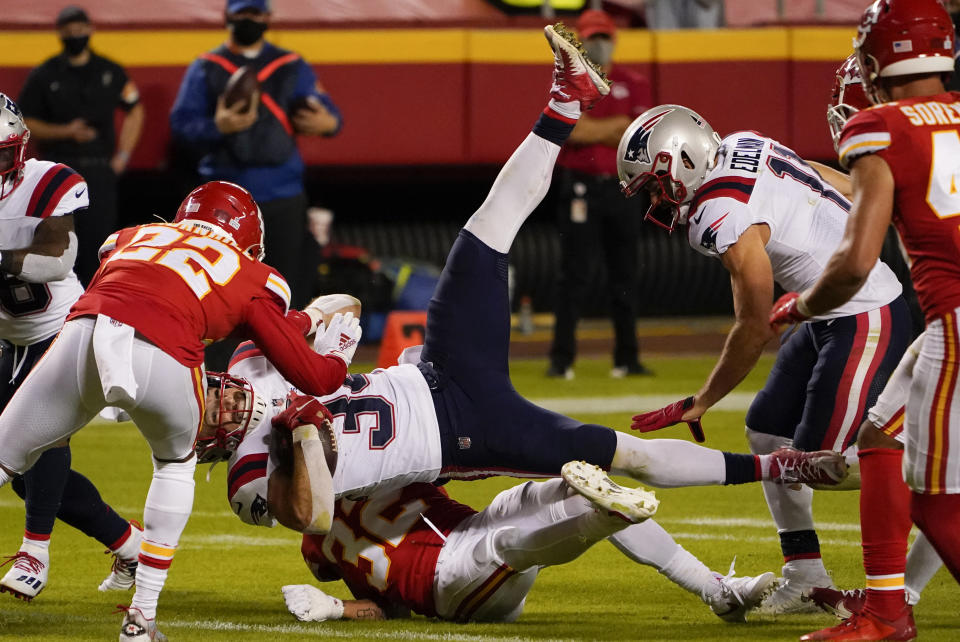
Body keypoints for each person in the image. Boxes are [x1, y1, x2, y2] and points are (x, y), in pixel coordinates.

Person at [202, 27, 848, 561]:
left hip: (443, 369)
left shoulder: (246, 366)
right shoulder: (248, 482)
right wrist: (297, 438)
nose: (220, 403)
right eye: (211, 414)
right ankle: (782, 473)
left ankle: (564, 101)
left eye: (210, 394)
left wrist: (307, 332)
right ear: (207, 445)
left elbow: (341, 315)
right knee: (628, 460)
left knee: (487, 227)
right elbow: (308, 516)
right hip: (466, 434)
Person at [0, 179, 359, 641]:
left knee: (5, 455)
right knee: (174, 466)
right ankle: (141, 618)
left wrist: (302, 321)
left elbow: (154, 293)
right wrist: (338, 352)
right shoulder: (253, 275)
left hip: (85, 333)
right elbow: (314, 377)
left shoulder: (129, 237)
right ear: (251, 239)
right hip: (164, 354)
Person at [617, 101, 911, 615]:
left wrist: (701, 400)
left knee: (825, 466)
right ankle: (804, 575)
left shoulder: (717, 212)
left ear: (683, 163)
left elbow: (753, 325)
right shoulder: (744, 142)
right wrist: (862, 193)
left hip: (864, 314)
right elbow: (810, 172)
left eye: (655, 186)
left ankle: (939, 473)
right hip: (823, 314)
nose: (657, 201)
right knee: (768, 433)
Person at [768, 0, 960, 638]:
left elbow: (855, 261)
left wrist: (801, 305)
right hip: (943, 325)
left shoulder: (881, 127)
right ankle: (886, 606)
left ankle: (887, 612)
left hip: (957, 320)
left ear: (881, 58)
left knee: (934, 491)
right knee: (882, 440)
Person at [280, 463, 777, 625]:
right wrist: (337, 609)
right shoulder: (319, 540)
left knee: (558, 489)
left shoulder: (323, 529)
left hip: (467, 530)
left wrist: (336, 606)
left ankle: (718, 592)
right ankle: (604, 518)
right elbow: (391, 608)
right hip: (448, 587)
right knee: (507, 543)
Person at [0, 92, 141, 603]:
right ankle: (131, 545)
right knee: (21, 475)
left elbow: (58, 258)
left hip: (64, 330)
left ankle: (34, 554)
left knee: (40, 440)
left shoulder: (44, 180)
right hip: (11, 340)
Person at [169, 0, 342, 311]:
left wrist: (328, 123)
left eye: (255, 13)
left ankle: (279, 357)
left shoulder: (290, 65)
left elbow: (330, 115)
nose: (249, 20)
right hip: (225, 199)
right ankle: (221, 359)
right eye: (242, 13)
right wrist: (217, 126)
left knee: (283, 286)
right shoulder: (207, 66)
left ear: (267, 18)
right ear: (228, 17)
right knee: (220, 288)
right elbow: (181, 125)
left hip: (283, 193)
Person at [547, 9, 652, 380]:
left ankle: (628, 358)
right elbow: (573, 132)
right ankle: (561, 360)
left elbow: (636, 135)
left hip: (622, 187)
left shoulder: (633, 80)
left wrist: (597, 128)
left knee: (624, 275)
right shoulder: (569, 84)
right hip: (581, 185)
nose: (599, 44)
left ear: (613, 39)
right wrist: (614, 128)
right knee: (574, 274)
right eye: (593, 37)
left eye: (604, 37)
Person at [17, 5, 144, 285]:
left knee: (100, 246)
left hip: (99, 172)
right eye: (69, 30)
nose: (75, 34)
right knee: (57, 245)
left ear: (90, 30)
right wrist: (66, 131)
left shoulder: (110, 72)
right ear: (60, 33)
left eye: (79, 29)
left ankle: (96, 306)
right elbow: (26, 120)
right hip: (58, 171)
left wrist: (122, 155)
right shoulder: (45, 74)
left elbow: (135, 109)